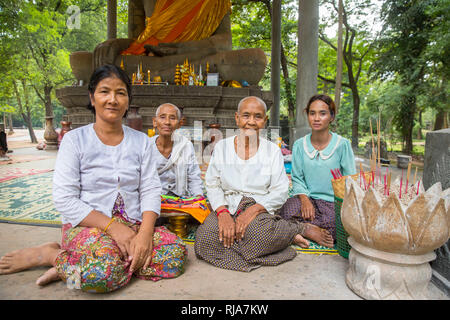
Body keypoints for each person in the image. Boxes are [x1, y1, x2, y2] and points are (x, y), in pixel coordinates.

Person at [0, 65, 187, 292]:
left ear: (128, 100)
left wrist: (145, 235)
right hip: (89, 226)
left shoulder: (141, 141)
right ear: (92, 97)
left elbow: (150, 189)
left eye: (120, 93)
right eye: (104, 91)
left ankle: (80, 266)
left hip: (134, 225)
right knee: (103, 275)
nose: (113, 99)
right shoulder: (74, 140)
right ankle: (50, 254)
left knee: (175, 256)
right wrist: (114, 229)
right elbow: (64, 198)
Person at [194, 96, 334, 272]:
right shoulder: (222, 147)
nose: (251, 122)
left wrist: (253, 211)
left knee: (258, 235)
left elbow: (281, 190)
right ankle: (284, 237)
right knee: (204, 239)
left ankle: (300, 228)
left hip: (259, 208)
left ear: (265, 120)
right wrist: (222, 213)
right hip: (228, 206)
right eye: (246, 116)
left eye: (257, 116)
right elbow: (212, 184)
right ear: (237, 118)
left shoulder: (272, 151)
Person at [279, 94, 356, 246]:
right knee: (284, 212)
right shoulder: (300, 145)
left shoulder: (342, 145)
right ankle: (308, 229)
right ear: (307, 115)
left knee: (339, 225)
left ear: (331, 117)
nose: (316, 118)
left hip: (332, 202)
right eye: (312, 113)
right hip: (307, 200)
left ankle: (301, 228)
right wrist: (304, 199)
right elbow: (297, 178)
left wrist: (344, 205)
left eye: (323, 113)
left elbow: (350, 179)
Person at [149, 103, 203, 198]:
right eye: (162, 117)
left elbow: (194, 178)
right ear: (154, 122)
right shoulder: (146, 147)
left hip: (180, 198)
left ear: (180, 124)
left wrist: (198, 198)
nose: (167, 122)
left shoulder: (186, 146)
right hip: (152, 198)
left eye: (172, 118)